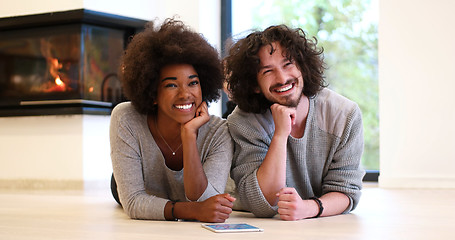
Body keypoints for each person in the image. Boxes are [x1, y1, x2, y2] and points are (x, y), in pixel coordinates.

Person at [224, 24, 365, 220]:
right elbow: (263, 204)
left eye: (288, 64)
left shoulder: (344, 114)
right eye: (267, 71)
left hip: (312, 215)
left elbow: (346, 191)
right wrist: (280, 135)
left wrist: (310, 208)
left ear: (302, 66)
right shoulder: (243, 121)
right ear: (255, 85)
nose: (282, 78)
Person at [110, 19, 235, 222]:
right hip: (139, 183)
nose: (185, 94)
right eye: (171, 85)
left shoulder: (219, 131)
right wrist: (191, 211)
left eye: (193, 82)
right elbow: (133, 202)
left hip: (166, 197)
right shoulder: (126, 117)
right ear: (152, 93)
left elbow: (209, 202)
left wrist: (189, 135)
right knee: (120, 188)